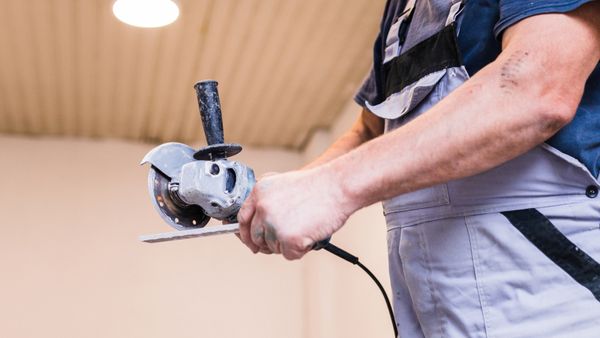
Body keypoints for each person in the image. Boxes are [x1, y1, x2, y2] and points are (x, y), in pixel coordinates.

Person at [237, 0, 600, 336]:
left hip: (547, 287)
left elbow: (536, 88)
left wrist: (332, 187)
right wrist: (280, 194)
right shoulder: (401, 9)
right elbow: (368, 130)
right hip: (430, 301)